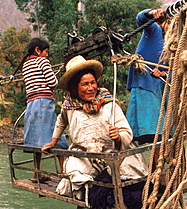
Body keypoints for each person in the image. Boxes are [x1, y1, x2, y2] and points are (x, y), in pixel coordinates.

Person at [41, 55, 148, 201]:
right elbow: (61, 122)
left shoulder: (109, 104)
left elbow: (126, 132)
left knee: (131, 180)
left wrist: (118, 137)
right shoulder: (69, 106)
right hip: (84, 154)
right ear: (75, 87)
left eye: (92, 83)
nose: (90, 88)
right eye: (84, 84)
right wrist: (53, 142)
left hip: (113, 152)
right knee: (75, 175)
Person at [12, 37, 69, 183]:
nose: (47, 55)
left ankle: (36, 173)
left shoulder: (25, 65)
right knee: (56, 135)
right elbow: (53, 82)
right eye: (46, 52)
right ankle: (63, 172)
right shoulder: (42, 61)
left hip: (31, 104)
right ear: (38, 50)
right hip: (44, 103)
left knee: (35, 139)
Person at [126, 8, 171, 167]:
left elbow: (175, 70)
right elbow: (141, 19)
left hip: (159, 90)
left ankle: (158, 168)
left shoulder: (172, 44)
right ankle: (153, 171)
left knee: (162, 134)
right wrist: (152, 13)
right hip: (145, 86)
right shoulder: (154, 30)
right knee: (155, 134)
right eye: (170, 23)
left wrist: (164, 74)